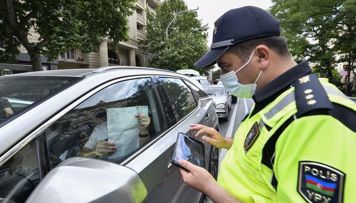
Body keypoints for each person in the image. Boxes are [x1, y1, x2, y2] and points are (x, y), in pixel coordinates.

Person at [178, 6, 356, 203]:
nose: (223, 77)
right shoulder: (276, 95)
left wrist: (211, 188)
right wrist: (226, 143)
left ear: (261, 56)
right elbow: (269, 152)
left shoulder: (314, 121)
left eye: (226, 67)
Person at [80, 111, 151, 159]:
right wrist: (95, 151)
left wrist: (144, 130)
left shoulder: (137, 122)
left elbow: (146, 148)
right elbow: (83, 154)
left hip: (136, 160)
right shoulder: (99, 129)